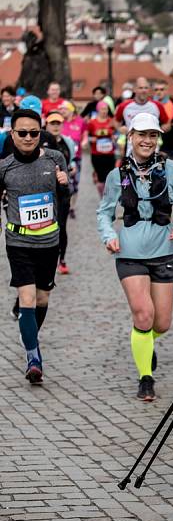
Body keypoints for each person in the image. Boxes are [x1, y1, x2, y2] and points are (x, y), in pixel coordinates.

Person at [97, 113, 173, 401]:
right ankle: (145, 378)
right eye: (142, 135)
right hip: (129, 253)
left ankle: (143, 344)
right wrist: (108, 235)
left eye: (152, 135)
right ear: (131, 136)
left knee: (161, 323)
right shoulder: (117, 175)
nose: (147, 141)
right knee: (143, 314)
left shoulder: (172, 169)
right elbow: (103, 212)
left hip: (164, 250)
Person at [0, 108, 69, 384]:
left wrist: (63, 186)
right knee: (26, 299)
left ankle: (28, 334)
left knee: (42, 300)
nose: (28, 138)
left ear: (40, 133)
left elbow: (64, 200)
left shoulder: (55, 159)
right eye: (22, 133)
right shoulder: (4, 167)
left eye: (34, 133)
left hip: (48, 242)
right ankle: (33, 357)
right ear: (12, 134)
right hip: (18, 242)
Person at [45, 112, 76, 275]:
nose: (56, 126)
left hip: (62, 192)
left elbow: (71, 162)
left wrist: (71, 169)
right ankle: (46, 258)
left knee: (61, 227)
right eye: (52, 123)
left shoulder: (68, 142)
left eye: (58, 123)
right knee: (46, 227)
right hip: (45, 192)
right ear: (46, 125)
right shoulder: (41, 143)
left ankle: (61, 260)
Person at [60, 101, 86, 218]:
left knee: (75, 184)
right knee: (62, 182)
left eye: (64, 109)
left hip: (76, 157)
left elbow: (84, 134)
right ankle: (62, 204)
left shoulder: (80, 121)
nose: (62, 111)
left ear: (71, 110)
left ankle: (72, 207)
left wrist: (85, 141)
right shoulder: (59, 122)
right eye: (61, 109)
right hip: (62, 158)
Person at [87, 100, 117, 197]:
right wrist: (93, 139)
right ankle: (102, 196)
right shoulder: (92, 122)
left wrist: (114, 138)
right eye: (102, 109)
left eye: (106, 109)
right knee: (101, 178)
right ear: (98, 110)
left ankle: (108, 196)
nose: (104, 111)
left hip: (110, 154)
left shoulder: (112, 122)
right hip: (97, 154)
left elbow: (117, 134)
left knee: (110, 177)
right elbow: (87, 137)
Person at [152, 79, 173, 159]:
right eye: (156, 89)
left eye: (162, 89)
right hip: (152, 144)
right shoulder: (150, 104)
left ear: (167, 90)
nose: (159, 92)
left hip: (171, 145)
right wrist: (160, 126)